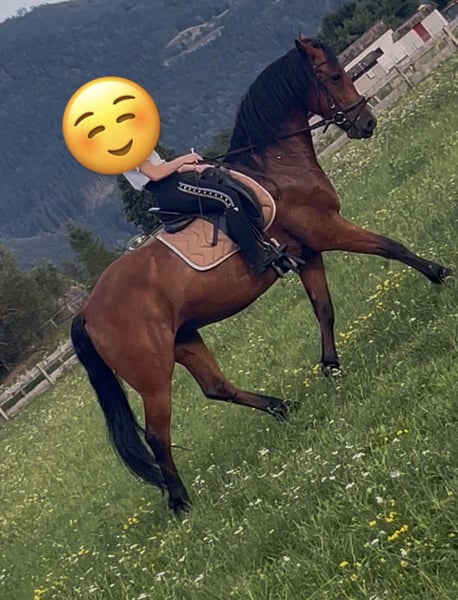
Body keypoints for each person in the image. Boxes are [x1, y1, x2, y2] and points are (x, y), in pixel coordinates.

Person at [122, 149, 284, 274]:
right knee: (228, 198)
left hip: (173, 186)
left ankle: (258, 241)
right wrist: (184, 158)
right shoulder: (128, 150)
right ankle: (256, 259)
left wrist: (197, 167)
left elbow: (163, 167)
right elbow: (156, 174)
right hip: (174, 190)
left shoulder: (136, 144)